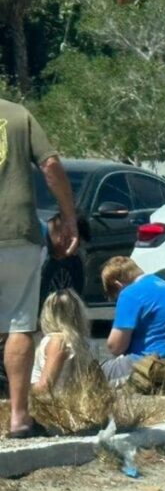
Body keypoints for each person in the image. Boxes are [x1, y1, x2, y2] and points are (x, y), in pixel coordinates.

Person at [0, 98, 79, 438]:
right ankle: (19, 419)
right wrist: (69, 217)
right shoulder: (18, 114)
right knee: (19, 324)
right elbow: (50, 166)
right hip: (16, 233)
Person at [100, 256, 165, 386]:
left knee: (94, 373)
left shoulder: (129, 293)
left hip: (153, 366)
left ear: (118, 285)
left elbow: (115, 346)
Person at [31, 289, 97, 394]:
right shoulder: (88, 343)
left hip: (52, 406)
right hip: (78, 404)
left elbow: (44, 386)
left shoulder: (57, 342)